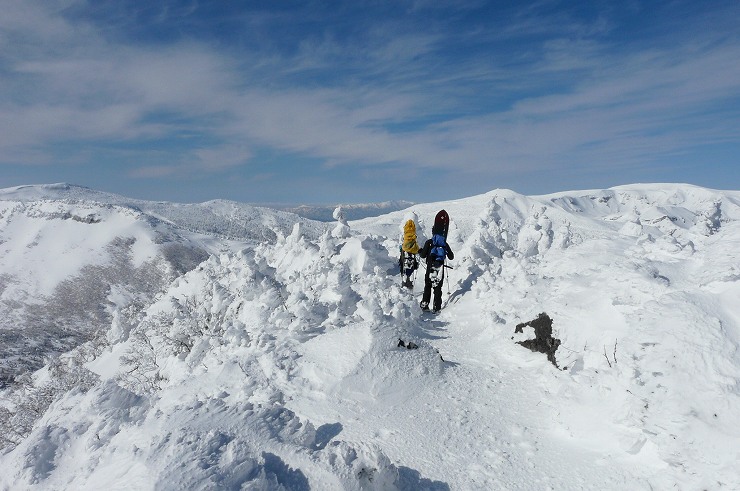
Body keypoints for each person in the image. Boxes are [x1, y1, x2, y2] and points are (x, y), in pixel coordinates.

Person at [419, 210, 454, 312]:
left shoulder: (429, 242)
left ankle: (425, 305)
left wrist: (420, 251)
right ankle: (437, 307)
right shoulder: (444, 244)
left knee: (428, 285)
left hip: (430, 266)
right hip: (440, 268)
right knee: (438, 287)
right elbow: (451, 257)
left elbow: (422, 255)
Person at [399, 213, 420, 289]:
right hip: (413, 251)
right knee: (411, 266)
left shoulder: (405, 233)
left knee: (403, 264)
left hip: (405, 250)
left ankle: (404, 281)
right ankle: (409, 280)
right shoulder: (414, 234)